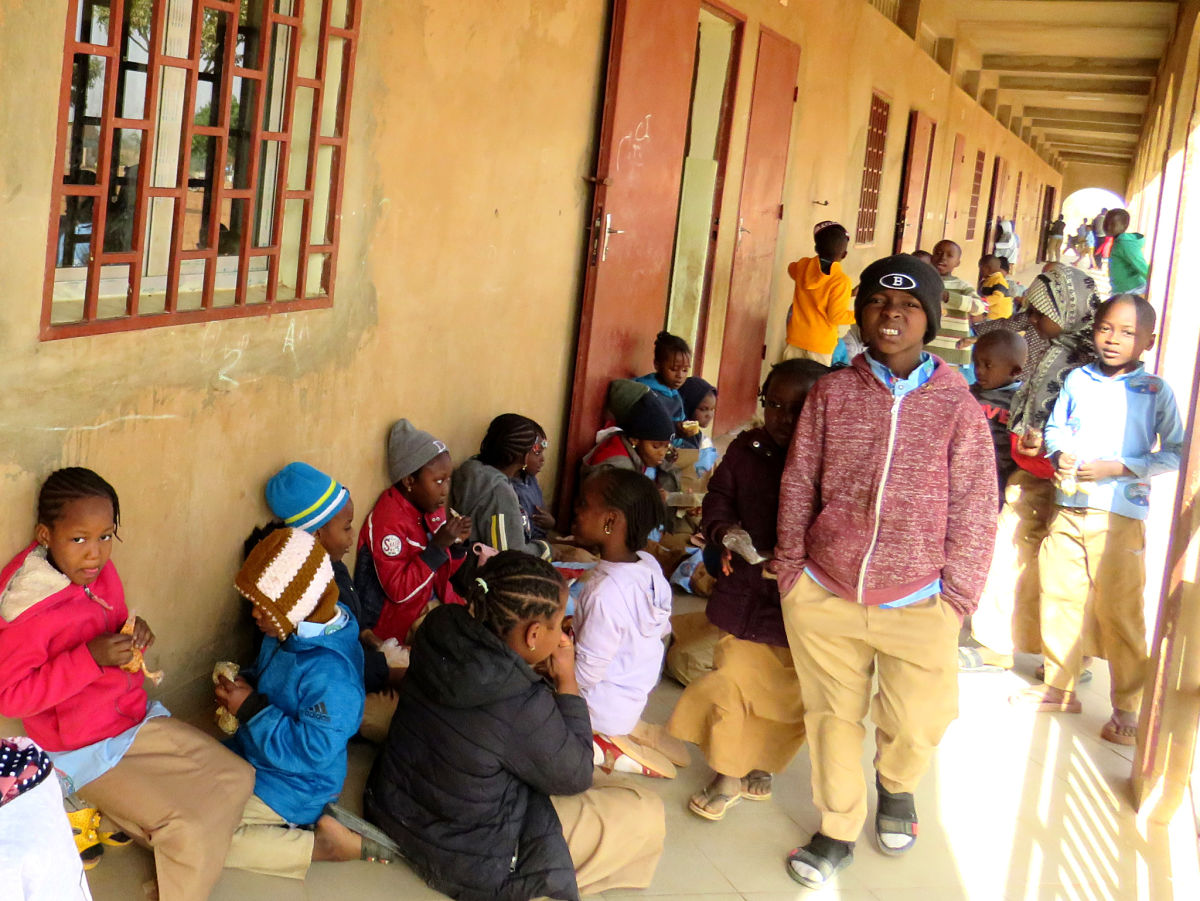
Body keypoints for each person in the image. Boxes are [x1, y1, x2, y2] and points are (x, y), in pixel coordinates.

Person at [772, 255, 996, 889]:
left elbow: (978, 505)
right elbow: (800, 480)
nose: (891, 315)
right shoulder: (832, 392)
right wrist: (793, 569)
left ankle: (896, 786)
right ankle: (837, 826)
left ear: (930, 319)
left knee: (917, 720)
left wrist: (959, 597)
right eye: (878, 302)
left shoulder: (957, 407)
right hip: (827, 589)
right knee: (832, 716)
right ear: (861, 313)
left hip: (922, 597)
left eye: (909, 306)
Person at [0, 468, 254, 901]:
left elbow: (110, 624)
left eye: (105, 536)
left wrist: (136, 633)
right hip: (79, 749)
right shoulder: (28, 608)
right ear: (45, 534)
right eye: (78, 539)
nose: (94, 554)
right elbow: (12, 697)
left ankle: (135, 829)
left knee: (236, 776)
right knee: (188, 828)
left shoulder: (98, 575)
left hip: (130, 720)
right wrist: (89, 660)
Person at [364, 551, 665, 901]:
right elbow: (575, 775)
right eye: (557, 625)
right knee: (644, 809)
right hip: (461, 855)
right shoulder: (521, 704)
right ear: (533, 634)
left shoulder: (439, 625)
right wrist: (567, 681)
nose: (563, 632)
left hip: (394, 805)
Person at [1010, 296, 1182, 746]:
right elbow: (1056, 428)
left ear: (1149, 340)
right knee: (1061, 595)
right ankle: (1059, 685)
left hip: (1120, 515)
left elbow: (1176, 451)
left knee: (1121, 610)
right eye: (1107, 328)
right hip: (1068, 506)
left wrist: (1118, 467)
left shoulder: (1154, 391)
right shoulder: (1077, 378)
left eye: (1127, 332)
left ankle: (1128, 705)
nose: (1114, 339)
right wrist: (1059, 450)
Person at [668, 358, 829, 822]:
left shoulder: (835, 461)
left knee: (785, 694)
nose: (784, 417)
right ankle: (726, 772)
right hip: (746, 593)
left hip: (802, 605)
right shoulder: (747, 448)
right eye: (774, 404)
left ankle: (761, 762)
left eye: (798, 409)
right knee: (731, 680)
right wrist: (724, 530)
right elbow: (718, 497)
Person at [218, 528, 398, 878]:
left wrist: (252, 709)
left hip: (295, 783)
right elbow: (274, 673)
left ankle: (321, 846)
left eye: (263, 607)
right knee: (187, 792)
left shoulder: (333, 678)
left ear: (296, 605)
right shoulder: (295, 626)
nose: (254, 614)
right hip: (256, 752)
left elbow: (312, 749)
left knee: (204, 837)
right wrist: (248, 683)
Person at [961, 268, 1101, 672]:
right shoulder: (1050, 342)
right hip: (1031, 471)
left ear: (1067, 310)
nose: (1035, 321)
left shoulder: (1089, 362)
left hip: (1068, 477)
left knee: (1065, 569)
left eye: (1043, 313)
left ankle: (1068, 657)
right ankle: (998, 643)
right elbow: (1014, 322)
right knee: (1011, 553)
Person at [571, 469, 684, 779]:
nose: (575, 511)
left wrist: (550, 672)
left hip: (598, 710)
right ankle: (630, 727)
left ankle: (606, 745)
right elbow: (661, 631)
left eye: (583, 504)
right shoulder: (648, 565)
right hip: (632, 695)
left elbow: (585, 675)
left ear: (610, 521)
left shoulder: (603, 591)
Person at [355, 420, 472, 645]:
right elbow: (398, 591)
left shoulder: (430, 507)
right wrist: (437, 547)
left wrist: (456, 546)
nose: (445, 491)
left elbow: (440, 573)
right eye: (438, 481)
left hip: (436, 601)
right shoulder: (387, 522)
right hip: (402, 621)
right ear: (409, 480)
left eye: (448, 480)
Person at [451, 414, 553, 559]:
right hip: (490, 575)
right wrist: (546, 549)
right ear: (524, 457)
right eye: (537, 451)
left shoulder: (472, 469)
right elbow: (510, 557)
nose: (542, 458)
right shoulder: (499, 493)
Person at [782, 221, 854, 366]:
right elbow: (836, 316)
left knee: (789, 380)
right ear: (844, 254)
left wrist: (849, 294)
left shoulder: (802, 267)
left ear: (816, 248)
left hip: (796, 338)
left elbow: (792, 269)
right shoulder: (840, 281)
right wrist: (861, 314)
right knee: (814, 387)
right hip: (820, 346)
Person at [970, 330, 1028, 506]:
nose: (979, 371)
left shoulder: (1023, 401)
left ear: (1014, 371)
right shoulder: (967, 394)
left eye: (988, 366)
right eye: (976, 363)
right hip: (968, 476)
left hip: (1003, 482)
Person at [581, 390, 679, 493]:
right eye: (655, 446)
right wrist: (657, 502)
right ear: (635, 440)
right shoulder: (618, 468)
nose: (662, 453)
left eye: (666, 446)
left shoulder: (638, 450)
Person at [925, 239, 984, 368]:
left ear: (957, 262)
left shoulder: (962, 286)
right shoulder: (924, 282)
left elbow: (979, 308)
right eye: (938, 253)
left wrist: (948, 297)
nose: (943, 258)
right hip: (924, 349)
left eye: (949, 255)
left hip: (952, 351)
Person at [634, 331, 691, 442]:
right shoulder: (647, 393)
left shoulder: (675, 395)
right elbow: (649, 427)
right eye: (674, 369)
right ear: (657, 365)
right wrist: (675, 428)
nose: (680, 376)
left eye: (685, 370)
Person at [511, 425, 555, 541]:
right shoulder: (510, 488)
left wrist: (550, 522)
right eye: (537, 453)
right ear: (522, 455)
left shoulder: (531, 480)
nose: (542, 459)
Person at [676, 375, 718, 469]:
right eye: (703, 409)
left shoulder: (698, 437)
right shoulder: (678, 436)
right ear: (688, 406)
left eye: (712, 409)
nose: (709, 415)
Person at [1104, 208, 1150, 295]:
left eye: (1113, 224)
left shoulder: (1125, 244)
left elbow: (1141, 265)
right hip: (1122, 289)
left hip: (1132, 289)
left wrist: (1152, 281)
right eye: (1106, 223)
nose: (1108, 227)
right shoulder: (1118, 241)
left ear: (1125, 226)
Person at [978, 253, 1015, 320]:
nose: (980, 272)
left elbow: (997, 297)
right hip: (992, 314)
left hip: (998, 316)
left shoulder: (999, 281)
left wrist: (981, 302)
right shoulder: (989, 280)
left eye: (981, 269)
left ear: (987, 268)